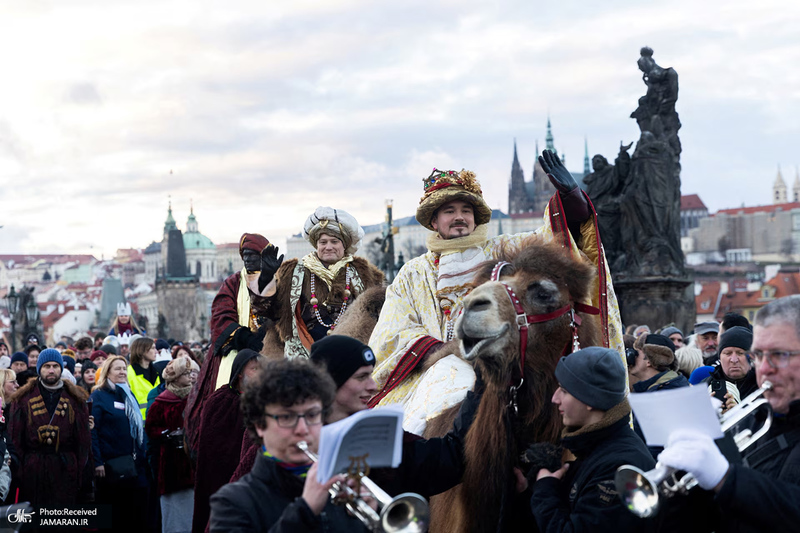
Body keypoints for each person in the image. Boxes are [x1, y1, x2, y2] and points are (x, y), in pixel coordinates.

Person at [370, 155, 624, 434]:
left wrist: (570, 198)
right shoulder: (413, 273)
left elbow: (559, 239)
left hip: (510, 364)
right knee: (418, 429)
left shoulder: (506, 249)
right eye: (449, 211)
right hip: (442, 371)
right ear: (433, 221)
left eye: (466, 210)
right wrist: (447, 351)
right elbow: (392, 332)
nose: (459, 217)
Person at [658, 295, 800, 532]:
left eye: (779, 354)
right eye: (759, 355)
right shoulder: (756, 421)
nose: (764, 369)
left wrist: (725, 479)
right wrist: (681, 480)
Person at [208, 358, 368, 532]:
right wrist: (305, 511)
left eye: (312, 415)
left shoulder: (342, 490)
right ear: (260, 425)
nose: (302, 429)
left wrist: (368, 522)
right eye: (286, 417)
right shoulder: (232, 503)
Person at [527, 347, 657, 532]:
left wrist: (545, 492)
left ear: (590, 399)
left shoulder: (619, 467)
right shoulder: (595, 445)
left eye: (564, 390)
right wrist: (529, 488)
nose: (555, 399)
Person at [186, 233, 278, 458]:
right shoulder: (233, 282)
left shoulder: (279, 281)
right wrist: (244, 337)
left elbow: (283, 312)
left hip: (274, 353)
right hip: (236, 353)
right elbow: (220, 315)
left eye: (253, 255)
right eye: (244, 255)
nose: (248, 259)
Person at [267, 207, 384, 359]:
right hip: (306, 356)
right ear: (317, 245)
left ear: (345, 245)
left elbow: (379, 314)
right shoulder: (293, 273)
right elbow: (271, 311)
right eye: (323, 242)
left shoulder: (364, 273)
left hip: (351, 353)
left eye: (334, 241)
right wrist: (265, 280)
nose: (328, 247)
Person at [8, 348, 93, 507]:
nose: (51, 370)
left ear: (61, 368)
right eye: (47, 366)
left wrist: (81, 473)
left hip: (66, 469)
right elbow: (15, 440)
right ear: (40, 368)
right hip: (33, 471)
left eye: (55, 366)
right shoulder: (23, 399)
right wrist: (20, 472)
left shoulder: (76, 399)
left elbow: (83, 441)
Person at [192, 349, 262, 533]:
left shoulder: (266, 401)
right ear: (239, 373)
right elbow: (212, 448)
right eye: (255, 369)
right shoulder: (220, 401)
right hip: (220, 478)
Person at [90, 355, 148, 530]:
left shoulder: (128, 395)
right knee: (114, 517)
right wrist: (97, 462)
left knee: (134, 517)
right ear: (107, 372)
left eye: (124, 368)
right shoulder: (99, 396)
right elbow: (93, 431)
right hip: (111, 467)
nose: (122, 372)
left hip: (134, 466)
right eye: (117, 368)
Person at [146, 358, 197, 533]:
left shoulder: (196, 398)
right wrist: (166, 434)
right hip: (171, 467)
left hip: (193, 464)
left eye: (191, 373)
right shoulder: (161, 402)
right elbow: (151, 429)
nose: (191, 376)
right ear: (175, 377)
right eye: (186, 373)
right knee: (174, 515)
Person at [706, 326, 758, 407]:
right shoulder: (706, 386)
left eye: (740, 353)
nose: (734, 360)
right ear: (720, 357)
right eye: (727, 353)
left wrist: (737, 412)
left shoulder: (762, 386)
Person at [128, 337, 161, 420]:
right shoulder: (129, 373)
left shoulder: (156, 372)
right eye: (153, 348)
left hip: (156, 422)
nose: (156, 352)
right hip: (139, 423)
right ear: (142, 351)